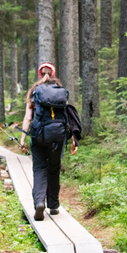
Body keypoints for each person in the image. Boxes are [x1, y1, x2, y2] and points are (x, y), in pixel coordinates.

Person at [20, 62, 77, 221]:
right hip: (58, 137)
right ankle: (53, 205)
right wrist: (73, 138)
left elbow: (28, 117)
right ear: (52, 74)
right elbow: (68, 116)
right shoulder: (60, 91)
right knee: (54, 168)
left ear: (40, 74)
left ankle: (39, 202)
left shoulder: (34, 91)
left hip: (38, 136)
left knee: (39, 168)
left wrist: (23, 139)